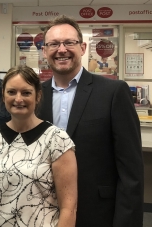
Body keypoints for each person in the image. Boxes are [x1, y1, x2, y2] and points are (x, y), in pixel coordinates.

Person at [39, 15, 144, 227]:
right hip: (42, 212)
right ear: (44, 51)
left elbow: (131, 171)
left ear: (83, 47)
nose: (61, 49)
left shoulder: (113, 92)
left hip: (97, 213)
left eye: (69, 42)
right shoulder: (35, 96)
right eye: (54, 44)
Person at [0, 65, 77, 227]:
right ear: (3, 96)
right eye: (11, 92)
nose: (18, 99)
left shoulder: (57, 140)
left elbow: (68, 208)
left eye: (26, 93)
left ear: (37, 96)